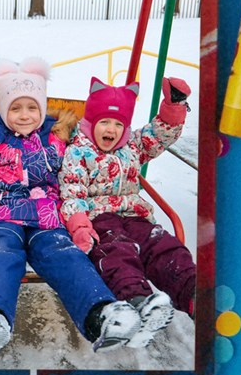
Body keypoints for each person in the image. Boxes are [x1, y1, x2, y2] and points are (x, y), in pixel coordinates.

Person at [0, 57, 141, 355]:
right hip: (1, 215)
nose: (24, 115)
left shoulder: (57, 139)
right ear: (4, 110)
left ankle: (99, 311)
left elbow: (90, 153)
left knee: (63, 253)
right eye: (15, 108)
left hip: (47, 216)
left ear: (42, 109)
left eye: (32, 107)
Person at [61, 76, 196, 347]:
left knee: (163, 245)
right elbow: (71, 192)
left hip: (135, 215)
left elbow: (159, 134)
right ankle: (138, 299)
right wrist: (80, 225)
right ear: (91, 123)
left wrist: (174, 105)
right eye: (104, 122)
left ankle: (193, 291)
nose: (111, 129)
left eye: (118, 124)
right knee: (117, 252)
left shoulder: (131, 146)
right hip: (100, 218)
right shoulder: (78, 152)